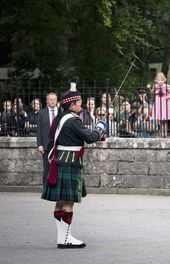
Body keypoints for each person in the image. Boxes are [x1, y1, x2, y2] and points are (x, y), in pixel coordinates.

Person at [41, 89, 106, 249]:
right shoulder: (72, 120)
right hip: (70, 164)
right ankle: (66, 238)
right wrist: (99, 128)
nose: (81, 105)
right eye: (79, 103)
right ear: (72, 104)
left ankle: (62, 237)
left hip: (58, 163)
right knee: (68, 202)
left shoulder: (59, 118)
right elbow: (90, 138)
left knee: (60, 202)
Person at [36, 93, 58, 186]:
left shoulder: (61, 111)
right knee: (47, 168)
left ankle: (57, 187)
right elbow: (39, 130)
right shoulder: (41, 113)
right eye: (50, 99)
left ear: (57, 100)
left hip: (59, 144)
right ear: (47, 101)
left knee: (58, 167)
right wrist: (39, 145)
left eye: (54, 99)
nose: (52, 101)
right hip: (46, 145)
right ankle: (45, 188)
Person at [149, 72, 170, 137]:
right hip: (158, 102)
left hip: (164, 102)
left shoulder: (166, 86)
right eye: (158, 80)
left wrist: (168, 97)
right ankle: (162, 132)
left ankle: (165, 132)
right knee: (161, 119)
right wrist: (150, 89)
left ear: (164, 80)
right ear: (156, 80)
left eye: (161, 80)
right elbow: (152, 92)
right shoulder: (155, 86)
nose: (160, 81)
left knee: (165, 119)